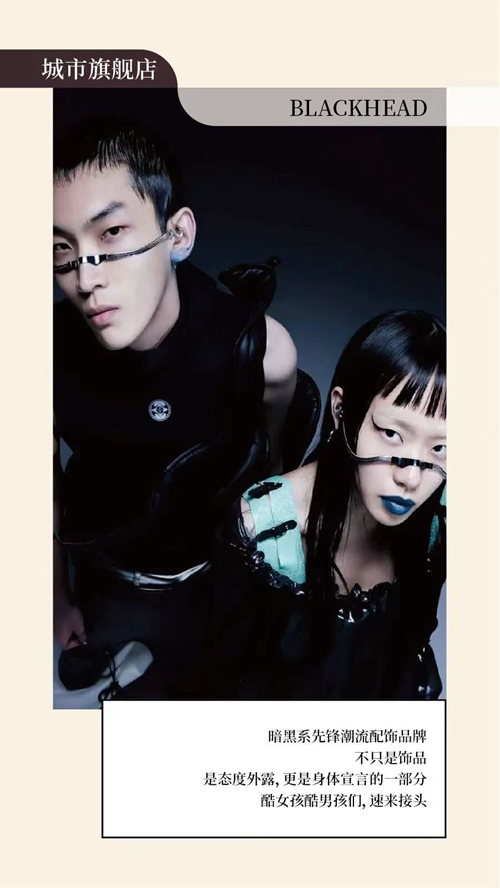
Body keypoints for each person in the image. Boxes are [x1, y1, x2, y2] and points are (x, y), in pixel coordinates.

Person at [53, 115, 298, 700]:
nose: (85, 278)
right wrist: (56, 598)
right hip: (101, 569)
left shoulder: (263, 353)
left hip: (210, 573)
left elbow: (273, 467)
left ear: (178, 235)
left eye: (112, 233)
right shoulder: (41, 353)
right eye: (62, 249)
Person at [211, 309, 446, 700]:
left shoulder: (440, 516)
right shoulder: (261, 534)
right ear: (341, 410)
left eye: (440, 447)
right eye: (391, 433)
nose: (410, 478)